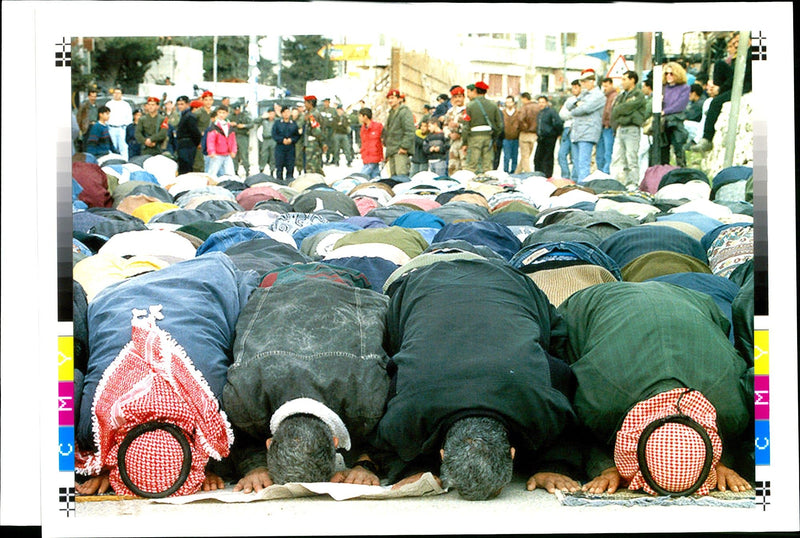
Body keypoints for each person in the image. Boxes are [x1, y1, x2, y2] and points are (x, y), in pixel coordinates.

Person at [373, 255, 581, 500]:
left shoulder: (539, 399)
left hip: (484, 278)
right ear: (513, 454)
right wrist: (554, 466)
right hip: (451, 277)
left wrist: (554, 466)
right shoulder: (409, 407)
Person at [74, 253, 257, 498]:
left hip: (195, 279)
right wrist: (107, 461)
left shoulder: (218, 405)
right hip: (116, 295)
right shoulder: (92, 423)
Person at [554, 281, 754, 496]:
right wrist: (607, 467)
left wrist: (720, 463)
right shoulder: (602, 403)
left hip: (690, 299)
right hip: (594, 303)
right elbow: (574, 431)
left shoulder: (731, 410)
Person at [222, 264, 391, 492]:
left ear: (269, 444)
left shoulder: (368, 399)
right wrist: (365, 464)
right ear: (335, 442)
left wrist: (364, 464)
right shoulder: (243, 397)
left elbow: (400, 428)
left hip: (334, 282)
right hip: (282, 283)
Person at [688, 32, 752, 153]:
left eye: (738, 42)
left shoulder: (751, 54)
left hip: (744, 85)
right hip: (733, 83)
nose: (736, 45)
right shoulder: (738, 56)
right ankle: (716, 89)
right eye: (734, 43)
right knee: (719, 64)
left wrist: (721, 90)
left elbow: (740, 77)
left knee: (715, 103)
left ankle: (707, 139)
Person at [565, 69, 606, 182]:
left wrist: (575, 109)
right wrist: (577, 104)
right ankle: (577, 184)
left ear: (592, 81)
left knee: (584, 163)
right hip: (577, 131)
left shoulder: (598, 95)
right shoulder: (583, 94)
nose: (582, 84)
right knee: (576, 163)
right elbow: (568, 104)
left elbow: (585, 109)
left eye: (585, 81)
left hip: (588, 132)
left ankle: (583, 187)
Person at [609, 70, 647, 187]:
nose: (622, 82)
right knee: (618, 157)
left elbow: (627, 109)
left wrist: (622, 112)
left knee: (631, 158)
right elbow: (615, 110)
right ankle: (621, 182)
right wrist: (622, 112)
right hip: (621, 128)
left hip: (632, 129)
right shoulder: (621, 96)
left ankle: (633, 183)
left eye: (625, 79)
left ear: (632, 80)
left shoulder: (638, 95)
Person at [462, 81, 503, 174]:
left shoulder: (470, 106)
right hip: (488, 137)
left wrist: (465, 142)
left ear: (476, 90)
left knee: (472, 166)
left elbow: (465, 126)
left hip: (474, 138)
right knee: (487, 166)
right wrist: (494, 136)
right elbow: (499, 125)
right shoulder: (493, 105)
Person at [659, 61, 690, 167]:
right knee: (663, 150)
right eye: (666, 73)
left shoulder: (684, 88)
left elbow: (680, 105)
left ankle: (682, 172)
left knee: (679, 149)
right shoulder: (662, 88)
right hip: (664, 123)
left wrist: (665, 111)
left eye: (671, 73)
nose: (668, 76)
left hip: (676, 122)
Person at [382, 89, 415, 177]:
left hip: (400, 150)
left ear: (399, 99)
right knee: (393, 178)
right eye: (389, 98)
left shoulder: (404, 112)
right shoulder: (391, 113)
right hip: (392, 150)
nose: (390, 101)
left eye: (392, 98)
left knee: (401, 176)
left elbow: (410, 131)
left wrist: (404, 147)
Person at [296, 95, 326, 175]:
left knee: (311, 167)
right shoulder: (308, 114)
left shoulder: (313, 115)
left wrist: (322, 143)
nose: (304, 105)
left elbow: (317, 131)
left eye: (305, 103)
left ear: (310, 103)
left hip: (312, 144)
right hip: (308, 143)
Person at [558, 80, 581, 180]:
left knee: (576, 157)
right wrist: (573, 113)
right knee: (561, 155)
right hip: (567, 129)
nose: (574, 90)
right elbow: (562, 114)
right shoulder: (569, 100)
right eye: (573, 87)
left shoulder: (585, 99)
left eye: (576, 87)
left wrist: (573, 113)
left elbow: (582, 113)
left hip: (578, 129)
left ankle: (575, 178)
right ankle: (565, 176)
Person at [533, 95, 561, 178]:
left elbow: (558, 123)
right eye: (539, 102)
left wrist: (555, 133)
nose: (541, 104)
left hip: (549, 138)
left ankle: (547, 176)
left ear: (547, 103)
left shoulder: (551, 112)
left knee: (547, 158)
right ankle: (539, 175)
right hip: (541, 138)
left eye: (543, 102)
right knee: (537, 158)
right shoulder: (540, 113)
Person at [271, 105, 300, 183]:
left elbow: (297, 135)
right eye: (284, 112)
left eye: (288, 112)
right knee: (279, 167)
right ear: (282, 114)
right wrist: (282, 140)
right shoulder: (277, 123)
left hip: (290, 148)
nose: (286, 114)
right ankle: (279, 182)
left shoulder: (293, 124)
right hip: (280, 148)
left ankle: (289, 182)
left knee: (290, 167)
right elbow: (274, 135)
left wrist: (292, 140)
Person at [206, 105, 237, 177]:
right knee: (212, 173)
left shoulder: (229, 126)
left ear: (227, 114)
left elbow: (233, 140)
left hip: (227, 154)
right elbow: (210, 140)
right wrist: (211, 151)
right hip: (217, 154)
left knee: (230, 173)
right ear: (217, 113)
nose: (221, 115)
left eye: (223, 113)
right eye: (220, 112)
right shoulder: (214, 126)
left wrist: (233, 150)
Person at [175, 95, 203, 175]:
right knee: (183, 166)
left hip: (188, 144)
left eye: (182, 104)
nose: (180, 106)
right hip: (182, 144)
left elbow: (195, 132)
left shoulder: (190, 116)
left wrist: (197, 142)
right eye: (178, 104)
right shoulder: (183, 115)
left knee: (186, 167)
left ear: (187, 104)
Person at [596, 78, 618, 174]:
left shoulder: (614, 96)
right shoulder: (603, 97)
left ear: (611, 84)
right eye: (603, 86)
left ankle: (606, 173)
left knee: (608, 153)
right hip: (602, 127)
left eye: (606, 86)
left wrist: (608, 124)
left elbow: (611, 112)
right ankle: (601, 172)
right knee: (600, 153)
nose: (604, 88)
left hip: (608, 128)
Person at [443, 86, 467, 175]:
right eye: (455, 97)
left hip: (464, 142)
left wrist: (459, 127)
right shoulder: (450, 112)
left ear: (464, 97)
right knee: (452, 168)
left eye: (460, 97)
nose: (458, 99)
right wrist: (449, 134)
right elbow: (445, 126)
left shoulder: (468, 110)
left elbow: (469, 126)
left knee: (465, 167)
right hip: (453, 143)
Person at [514, 92, 540, 173]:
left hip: (525, 134)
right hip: (534, 134)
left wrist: (523, 128)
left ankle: (528, 173)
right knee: (527, 155)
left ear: (524, 98)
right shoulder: (537, 107)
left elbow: (520, 119)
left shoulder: (524, 108)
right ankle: (517, 172)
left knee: (525, 156)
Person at [105, 88, 133, 161]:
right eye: (115, 93)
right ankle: (111, 162)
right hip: (111, 128)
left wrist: (127, 127)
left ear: (121, 94)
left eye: (118, 93)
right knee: (112, 147)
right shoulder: (109, 104)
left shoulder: (126, 105)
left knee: (123, 147)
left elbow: (129, 117)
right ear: (113, 94)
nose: (117, 95)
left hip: (122, 129)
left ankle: (125, 162)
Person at [358, 107, 384, 179]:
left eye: (360, 116)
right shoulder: (363, 128)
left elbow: (383, 139)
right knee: (375, 177)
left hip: (374, 156)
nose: (359, 118)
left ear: (365, 116)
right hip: (366, 156)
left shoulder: (378, 126)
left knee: (361, 177)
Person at [193, 90, 215, 172]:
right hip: (200, 141)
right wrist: (198, 140)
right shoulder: (198, 113)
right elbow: (192, 127)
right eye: (206, 100)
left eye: (210, 100)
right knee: (199, 164)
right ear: (202, 100)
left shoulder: (214, 113)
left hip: (212, 142)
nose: (208, 102)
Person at [230, 104, 254, 176]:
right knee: (234, 155)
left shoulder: (245, 115)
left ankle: (247, 170)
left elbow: (251, 124)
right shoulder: (230, 116)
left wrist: (244, 126)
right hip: (233, 136)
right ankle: (235, 171)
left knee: (244, 154)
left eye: (238, 109)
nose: (237, 111)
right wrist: (230, 124)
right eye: (235, 110)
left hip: (243, 136)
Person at [500, 95, 521, 174]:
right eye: (507, 102)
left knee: (515, 156)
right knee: (506, 156)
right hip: (506, 137)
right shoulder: (503, 113)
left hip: (516, 138)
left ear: (513, 103)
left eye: (510, 102)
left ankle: (514, 171)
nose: (508, 104)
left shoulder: (518, 112)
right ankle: (505, 171)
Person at [258, 108, 278, 174]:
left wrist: (278, 113)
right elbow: (255, 121)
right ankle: (261, 169)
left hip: (273, 140)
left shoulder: (276, 121)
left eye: (273, 113)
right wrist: (262, 117)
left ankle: (272, 170)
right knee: (263, 155)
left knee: (273, 155)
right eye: (270, 113)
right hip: (265, 140)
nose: (271, 115)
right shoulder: (264, 120)